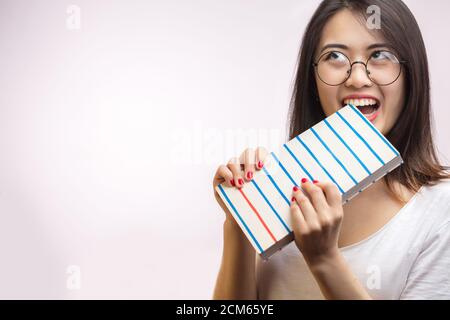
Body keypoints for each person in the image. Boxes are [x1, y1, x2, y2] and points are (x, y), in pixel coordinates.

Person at [212, 0, 450, 300]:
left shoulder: (441, 209)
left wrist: (324, 260)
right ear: (312, 77)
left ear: (410, 74)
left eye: (380, 55)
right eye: (335, 56)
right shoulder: (281, 189)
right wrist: (240, 222)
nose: (358, 79)